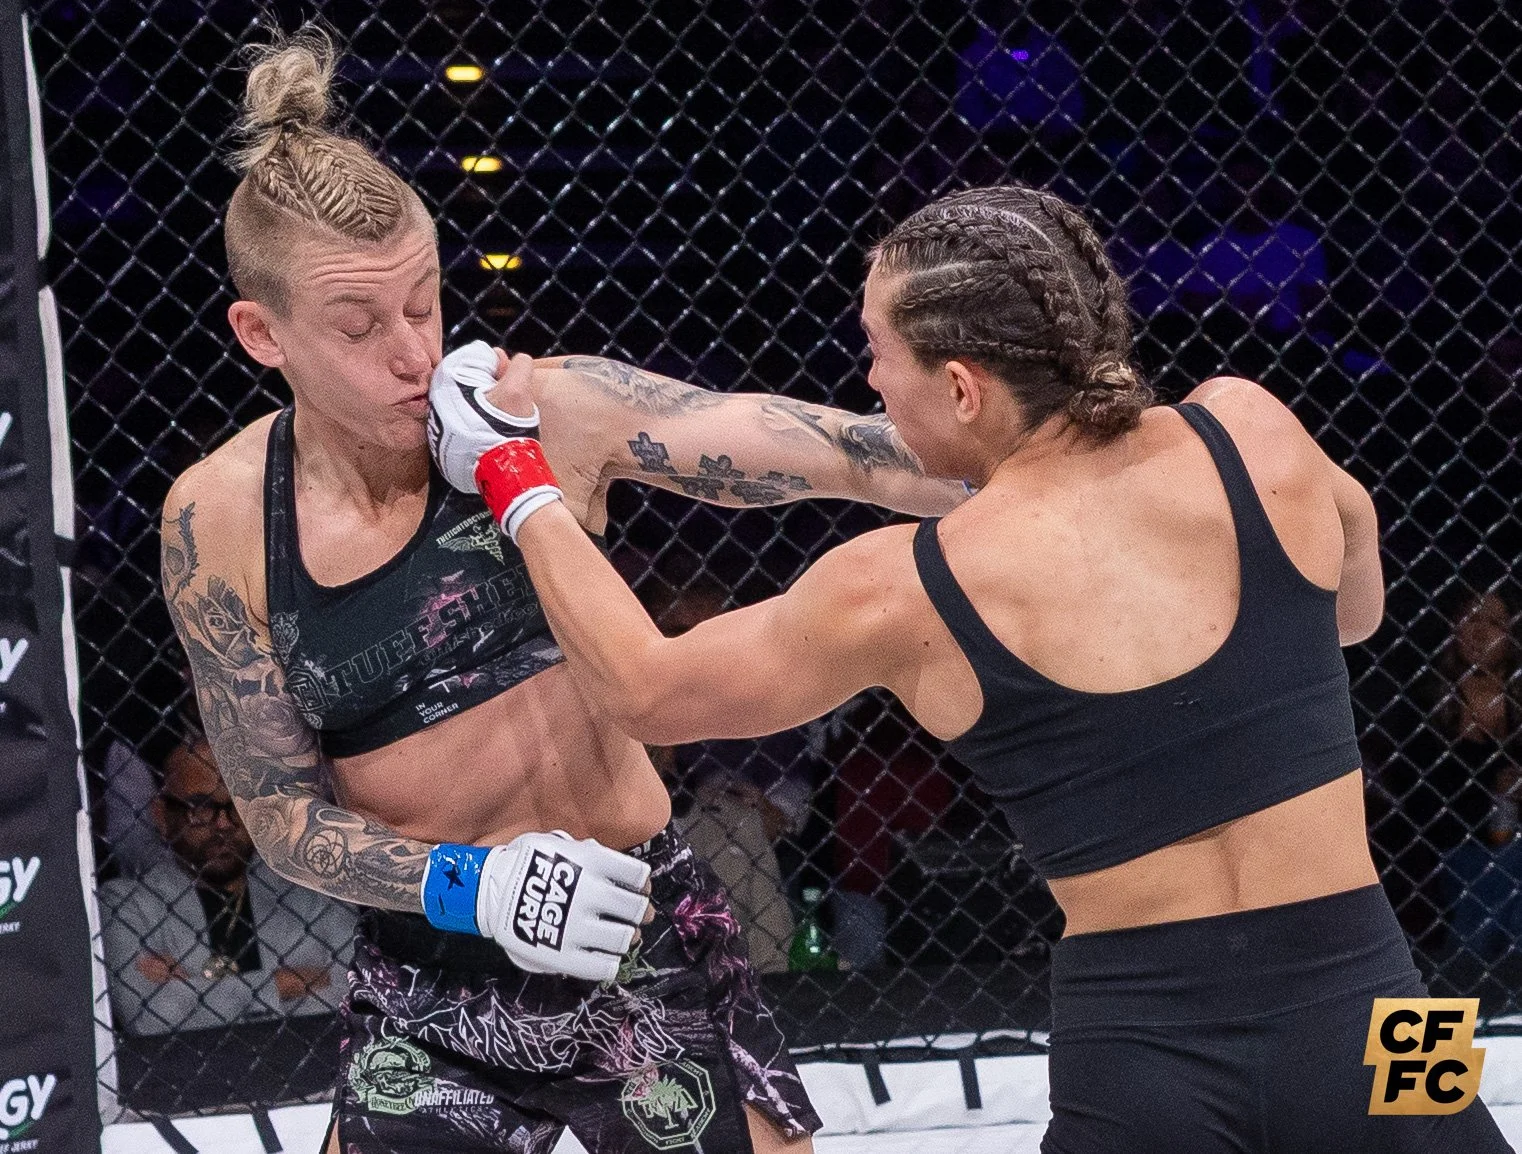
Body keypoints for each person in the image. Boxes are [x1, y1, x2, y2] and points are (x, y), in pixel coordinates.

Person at [451, 184, 1516, 1151]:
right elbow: (1355, 612)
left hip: (1142, 1060)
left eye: (878, 351)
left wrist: (515, 476)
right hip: (1382, 1010)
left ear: (961, 386)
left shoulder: (907, 589)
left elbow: (644, 688)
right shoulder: (1250, 430)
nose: (870, 379)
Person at [161, 27, 963, 1154]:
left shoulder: (541, 413)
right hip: (430, 976)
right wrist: (475, 887)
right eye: (358, 326)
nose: (411, 352)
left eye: (424, 304)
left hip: (639, 938)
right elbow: (283, 821)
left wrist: (1066, 460)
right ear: (262, 333)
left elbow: (841, 453)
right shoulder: (221, 521)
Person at [100, 735, 356, 1035]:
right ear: (162, 816)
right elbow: (150, 1021)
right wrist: (285, 983)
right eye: (201, 808)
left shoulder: (313, 890)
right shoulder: (126, 904)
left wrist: (196, 989)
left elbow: (358, 995)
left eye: (238, 806)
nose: (223, 824)